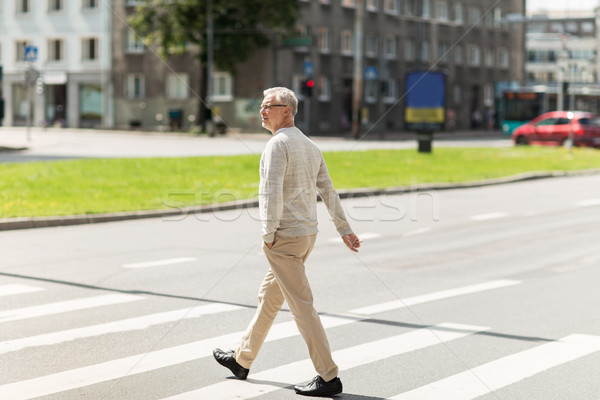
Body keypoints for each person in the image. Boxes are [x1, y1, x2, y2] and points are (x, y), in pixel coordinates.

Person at [213, 87, 361, 397]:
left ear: (287, 112)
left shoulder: (277, 144)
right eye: (261, 107)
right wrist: (343, 229)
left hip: (285, 238)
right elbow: (329, 191)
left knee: (301, 307)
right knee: (269, 296)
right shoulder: (309, 145)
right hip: (306, 235)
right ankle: (242, 359)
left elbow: (271, 195)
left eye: (269, 106)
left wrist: (267, 236)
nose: (262, 112)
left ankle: (328, 376)